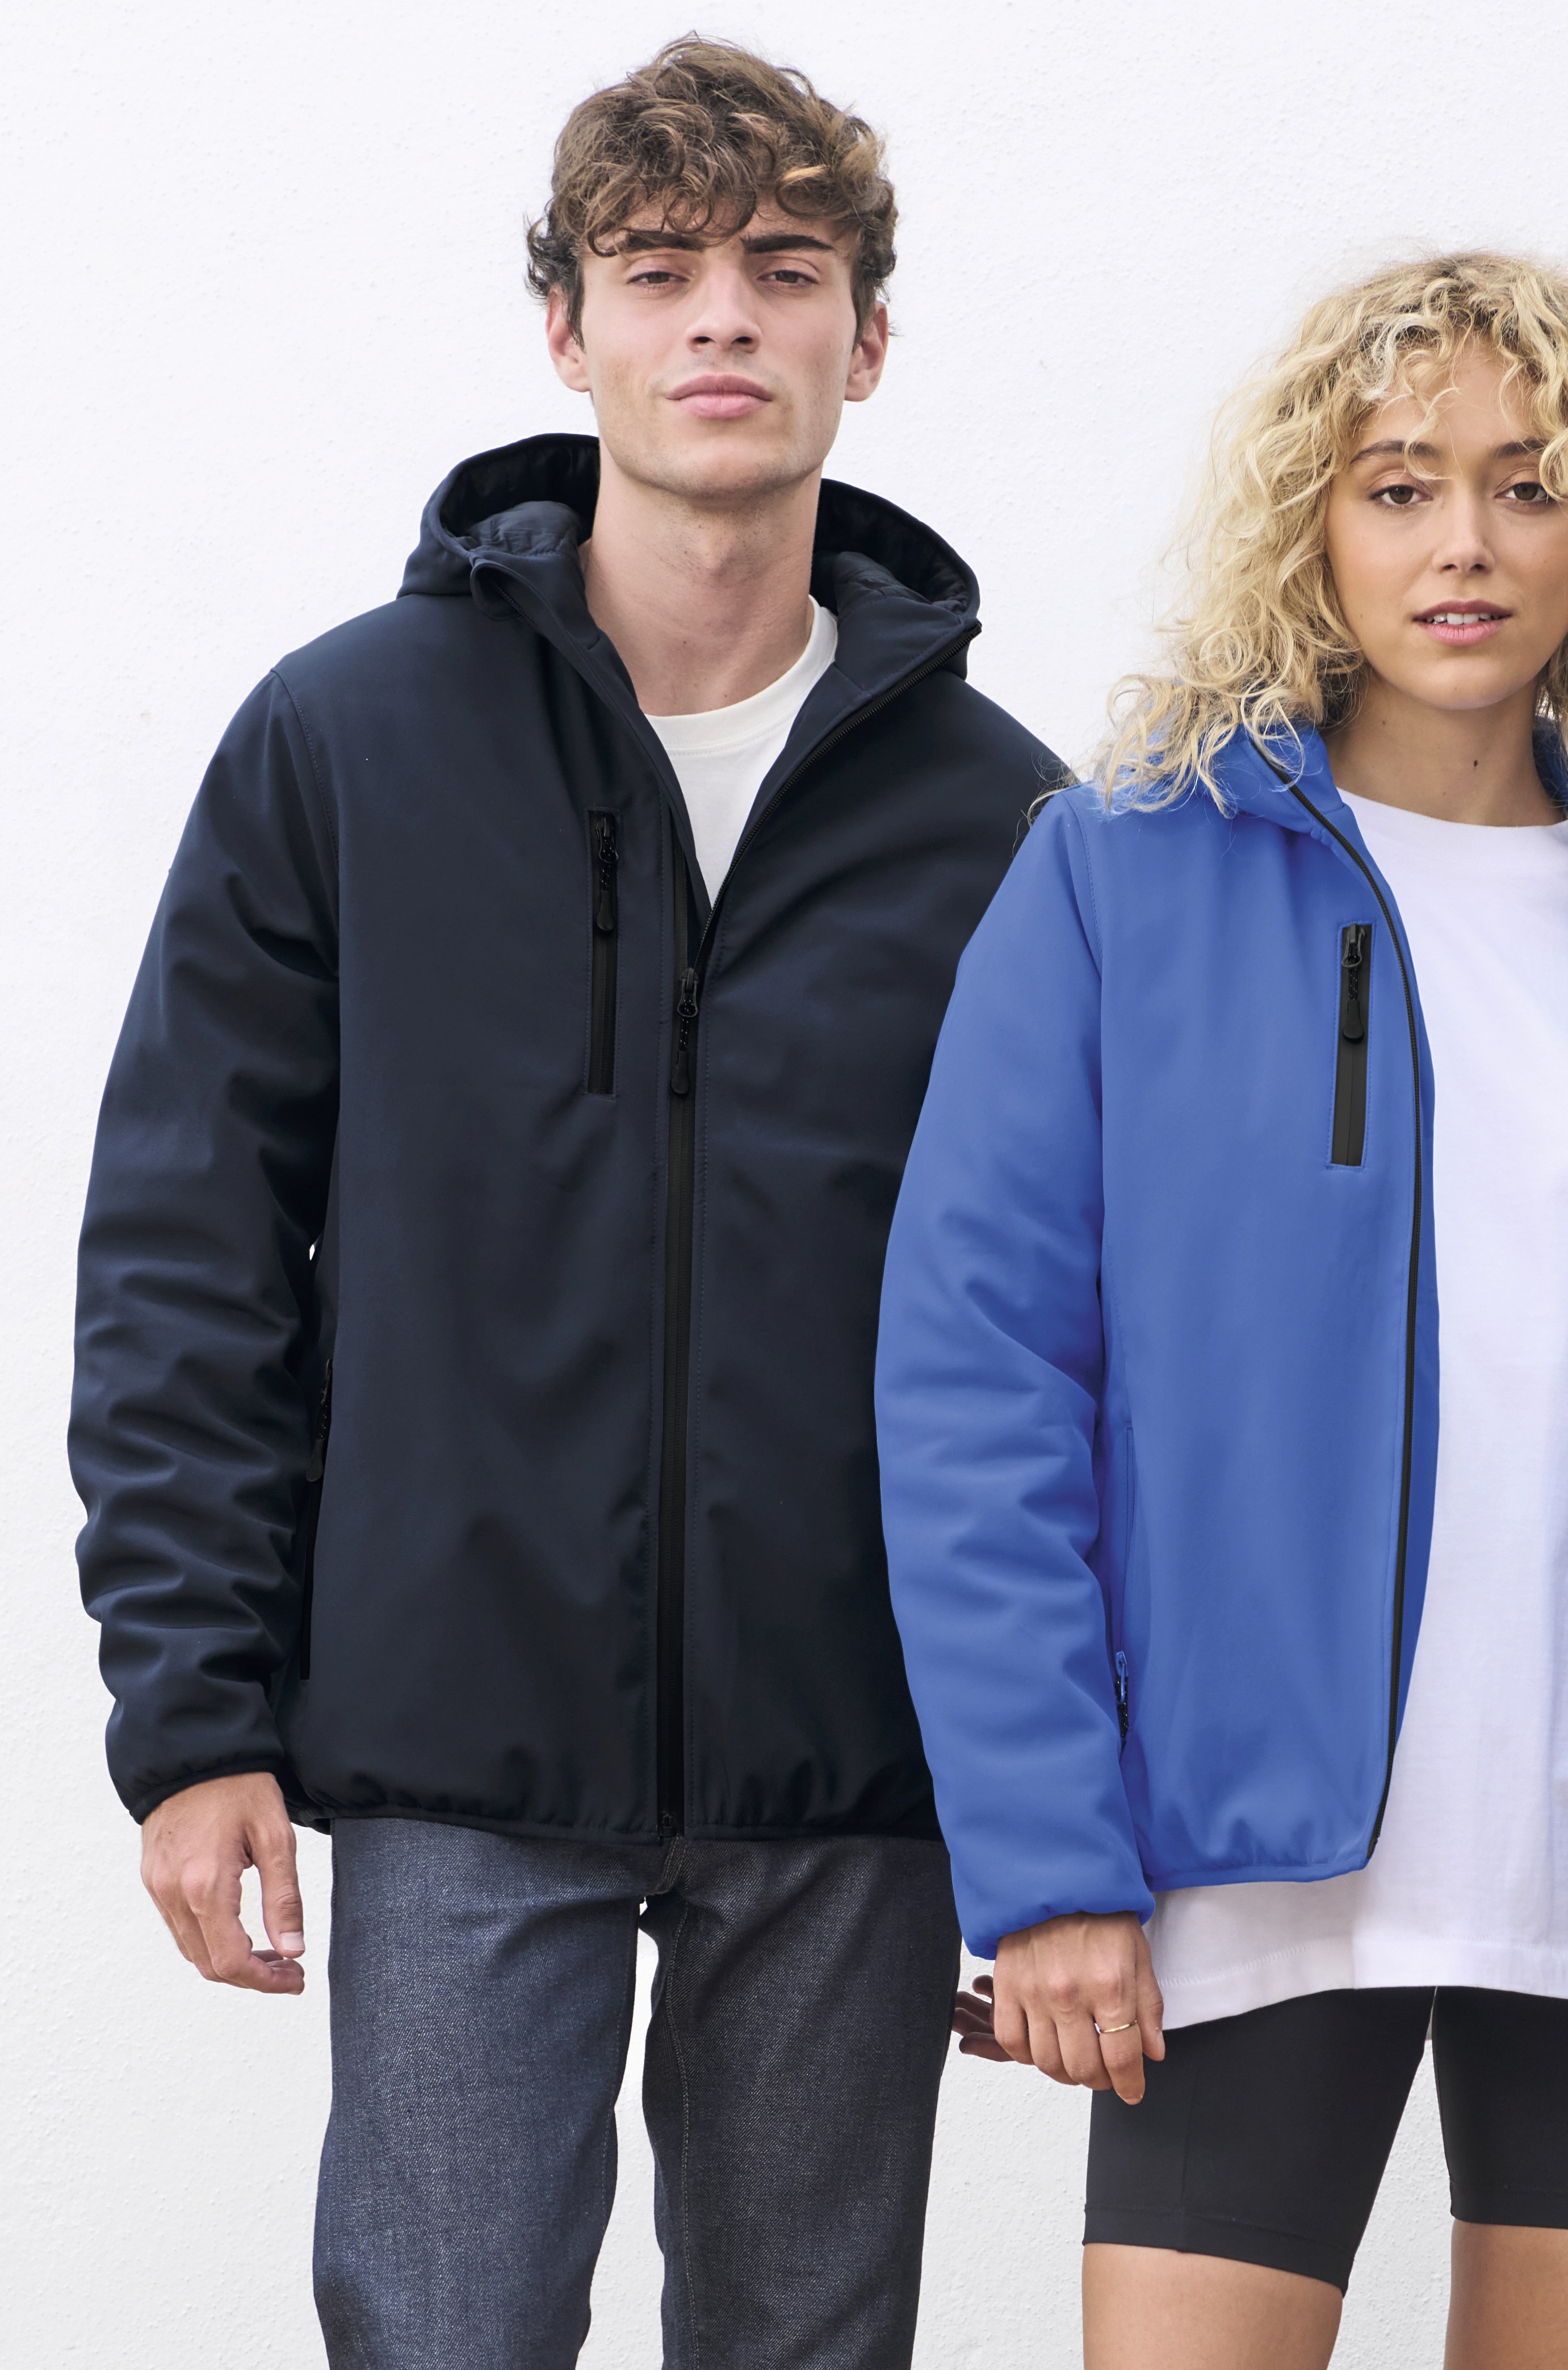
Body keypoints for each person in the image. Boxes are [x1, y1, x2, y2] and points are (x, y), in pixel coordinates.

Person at [71, 36, 1050, 2370]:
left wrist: (1063, 1815)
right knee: (440, 2336)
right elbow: (193, 1250)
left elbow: (1077, 1336)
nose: (722, 316)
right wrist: (194, 1717)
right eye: (658, 265)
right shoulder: (347, 743)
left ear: (865, 341)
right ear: (565, 329)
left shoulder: (1005, 823)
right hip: (453, 1735)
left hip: (852, 1762)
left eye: (782, 269)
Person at [877, 253, 1568, 2370]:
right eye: (1396, 486)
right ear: (1314, 526)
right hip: (1242, 1884)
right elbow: (978, 1396)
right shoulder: (1118, 881)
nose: (1464, 540)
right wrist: (1045, 1863)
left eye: (1528, 484)